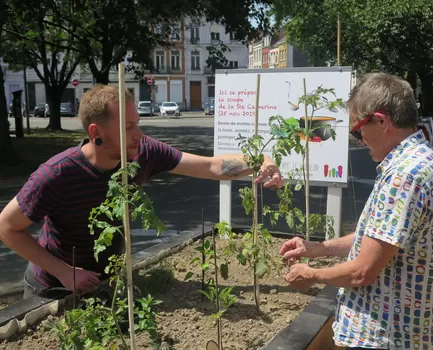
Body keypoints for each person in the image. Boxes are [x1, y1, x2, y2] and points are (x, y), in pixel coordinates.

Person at [0, 84, 285, 299]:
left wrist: (262, 160)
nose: (139, 133)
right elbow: (6, 227)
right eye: (129, 126)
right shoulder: (57, 173)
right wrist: (64, 272)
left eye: (138, 123)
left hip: (104, 281)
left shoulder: (143, 152)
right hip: (51, 287)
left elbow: (211, 167)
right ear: (96, 132)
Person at [280, 72, 433, 350]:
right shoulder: (419, 158)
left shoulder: (403, 176)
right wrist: (316, 247)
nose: (359, 140)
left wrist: (310, 275)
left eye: (357, 130)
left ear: (381, 121)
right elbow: (377, 237)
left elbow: (362, 272)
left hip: (387, 338)